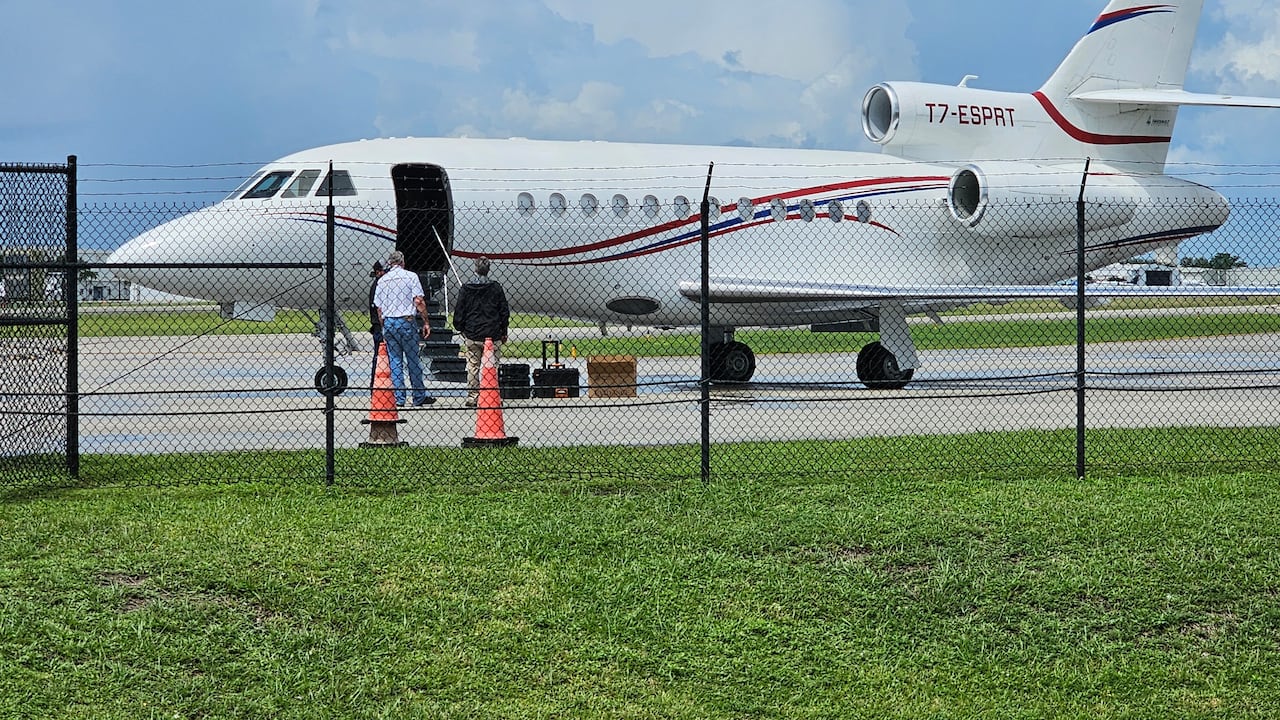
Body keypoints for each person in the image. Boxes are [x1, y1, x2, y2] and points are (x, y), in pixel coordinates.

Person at [373, 251, 435, 406]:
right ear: (403, 262)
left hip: (389, 322)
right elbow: (418, 301)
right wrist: (426, 321)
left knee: (395, 361)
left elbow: (379, 309)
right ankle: (418, 396)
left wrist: (383, 326)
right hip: (406, 321)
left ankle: (399, 398)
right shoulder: (411, 276)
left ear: (390, 263)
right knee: (413, 360)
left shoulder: (383, 280)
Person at [453, 256, 510, 407]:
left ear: (475, 269)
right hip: (492, 333)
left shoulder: (466, 288)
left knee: (473, 366)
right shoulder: (495, 287)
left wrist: (461, 327)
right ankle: (492, 395)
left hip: (472, 332)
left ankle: (473, 396)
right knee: (492, 367)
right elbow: (504, 311)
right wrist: (504, 330)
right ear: (488, 269)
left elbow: (459, 310)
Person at [367, 260, 386, 389]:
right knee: (380, 357)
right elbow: (379, 309)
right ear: (379, 272)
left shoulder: (381, 284)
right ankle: (376, 385)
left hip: (380, 326)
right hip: (380, 327)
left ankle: (377, 385)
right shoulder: (379, 285)